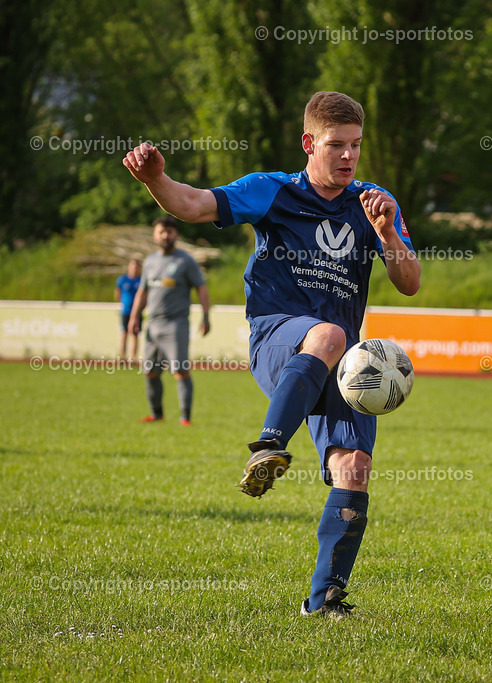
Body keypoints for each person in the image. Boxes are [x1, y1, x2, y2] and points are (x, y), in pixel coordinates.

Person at [122, 91, 420, 620]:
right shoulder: (272, 191)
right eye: (336, 146)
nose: (348, 157)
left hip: (343, 363)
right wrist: (154, 181)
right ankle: (269, 444)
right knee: (327, 334)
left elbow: (410, 281)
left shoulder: (374, 201)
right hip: (278, 339)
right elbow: (191, 205)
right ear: (309, 143)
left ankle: (324, 598)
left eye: (355, 145)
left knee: (355, 466)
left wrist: (385, 232)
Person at [129, 217, 211, 426]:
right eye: (161, 232)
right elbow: (142, 291)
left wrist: (206, 316)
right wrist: (135, 317)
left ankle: (185, 417)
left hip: (175, 324)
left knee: (180, 369)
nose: (165, 236)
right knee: (149, 371)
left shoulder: (185, 261)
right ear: (155, 235)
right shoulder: (149, 261)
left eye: (170, 232)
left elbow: (201, 288)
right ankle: (157, 414)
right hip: (152, 324)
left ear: (176, 235)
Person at [116, 258, 142, 359]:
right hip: (125, 311)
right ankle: (122, 357)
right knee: (124, 333)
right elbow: (117, 293)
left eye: (137, 266)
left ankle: (133, 357)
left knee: (135, 334)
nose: (135, 268)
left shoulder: (141, 280)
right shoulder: (122, 280)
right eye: (133, 266)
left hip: (137, 312)